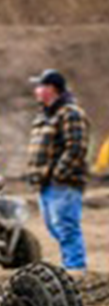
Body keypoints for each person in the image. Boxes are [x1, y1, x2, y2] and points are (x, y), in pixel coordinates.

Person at [26, 69, 90, 275]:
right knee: (56, 227)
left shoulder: (70, 113)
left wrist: (58, 174)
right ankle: (72, 265)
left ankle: (76, 268)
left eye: (39, 86)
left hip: (63, 182)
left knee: (66, 227)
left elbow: (77, 147)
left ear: (50, 89)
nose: (36, 91)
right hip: (46, 183)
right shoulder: (45, 115)